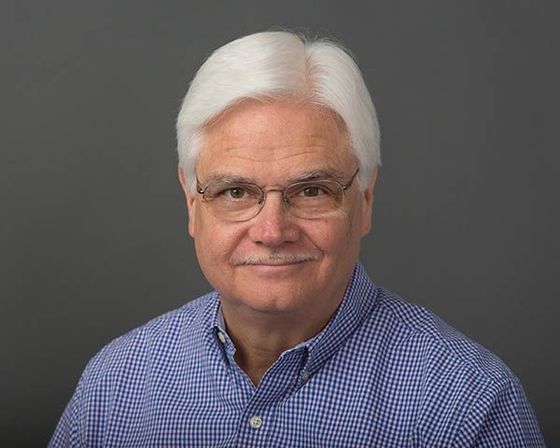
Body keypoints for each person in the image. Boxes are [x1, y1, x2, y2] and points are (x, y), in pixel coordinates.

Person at [50, 31, 544, 447]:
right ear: (192, 203)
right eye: (235, 191)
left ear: (366, 199)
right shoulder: (116, 384)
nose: (271, 231)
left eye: (311, 190)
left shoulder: (469, 404)